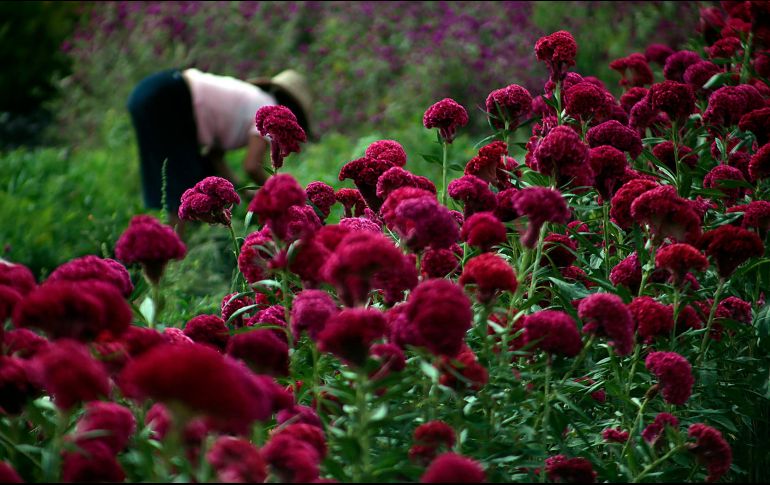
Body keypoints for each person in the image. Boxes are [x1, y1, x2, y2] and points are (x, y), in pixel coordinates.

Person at [127, 68, 313, 227]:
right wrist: (289, 199)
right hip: (172, 97)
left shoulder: (250, 98)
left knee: (186, 182)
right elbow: (252, 166)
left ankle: (172, 248)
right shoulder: (271, 112)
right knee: (178, 190)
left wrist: (242, 193)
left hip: (151, 90)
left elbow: (214, 158)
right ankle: (168, 257)